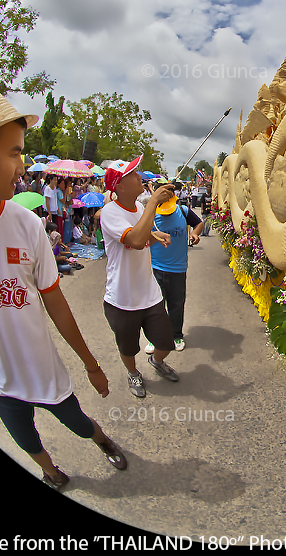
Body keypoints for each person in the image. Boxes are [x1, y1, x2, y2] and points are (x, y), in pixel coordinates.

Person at [0, 85, 127, 491]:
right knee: (25, 438)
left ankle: (103, 440)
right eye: (15, 152)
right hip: (0, 380)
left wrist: (90, 363)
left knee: (78, 423)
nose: (22, 166)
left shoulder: (28, 226)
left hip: (43, 370)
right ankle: (50, 472)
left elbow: (55, 302)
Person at [99, 155, 180, 398]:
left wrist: (154, 235)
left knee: (166, 343)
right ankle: (133, 373)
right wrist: (154, 201)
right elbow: (134, 240)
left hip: (149, 293)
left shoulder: (140, 208)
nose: (140, 177)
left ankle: (157, 362)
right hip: (123, 298)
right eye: (133, 174)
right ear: (119, 186)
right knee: (129, 347)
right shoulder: (110, 213)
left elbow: (141, 231)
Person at [146, 179, 203, 353]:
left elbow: (199, 223)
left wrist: (194, 232)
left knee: (176, 305)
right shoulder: (150, 213)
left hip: (178, 268)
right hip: (155, 267)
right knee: (155, 306)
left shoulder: (183, 210)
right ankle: (153, 338)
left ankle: (176, 334)